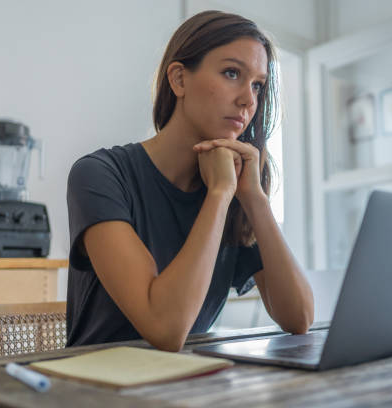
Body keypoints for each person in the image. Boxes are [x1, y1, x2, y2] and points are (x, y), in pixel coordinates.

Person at [65, 10, 314, 351]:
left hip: (189, 388)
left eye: (257, 85)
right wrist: (219, 194)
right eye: (231, 73)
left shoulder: (238, 190)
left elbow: (299, 317)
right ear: (179, 79)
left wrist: (254, 197)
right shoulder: (99, 174)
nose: (248, 99)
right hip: (96, 392)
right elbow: (164, 328)